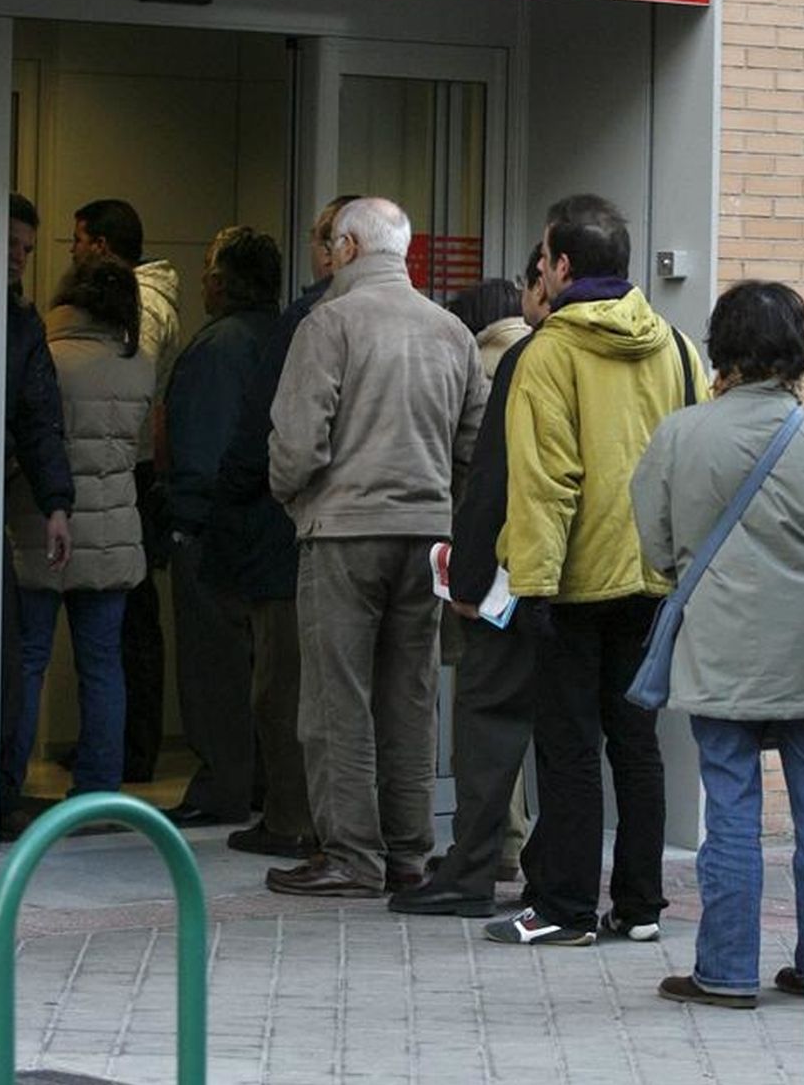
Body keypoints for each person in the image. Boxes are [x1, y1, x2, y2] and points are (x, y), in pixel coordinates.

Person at [631, 280, 804, 1007]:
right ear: (796, 352)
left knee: (730, 809)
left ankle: (727, 970)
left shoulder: (680, 434)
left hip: (720, 648)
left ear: (721, 349)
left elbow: (656, 547)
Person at [484, 194, 706, 948]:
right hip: (655, 578)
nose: (538, 271)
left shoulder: (549, 353)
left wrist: (533, 586)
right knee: (636, 741)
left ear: (564, 266)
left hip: (575, 580)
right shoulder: (677, 347)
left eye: (543, 258)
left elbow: (547, 479)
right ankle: (641, 906)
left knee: (569, 746)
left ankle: (565, 909)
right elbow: (695, 462)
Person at [266, 197, 488, 897]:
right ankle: (408, 852)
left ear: (351, 249)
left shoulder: (329, 323)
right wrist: (439, 503)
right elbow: (476, 446)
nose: (326, 258)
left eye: (331, 246)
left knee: (338, 699)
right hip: (427, 536)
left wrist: (294, 498)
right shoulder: (452, 331)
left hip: (344, 532)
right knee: (409, 697)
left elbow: (298, 444)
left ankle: (351, 856)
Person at [391, 249, 549, 918]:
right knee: (559, 725)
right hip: (570, 573)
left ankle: (484, 855)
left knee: (486, 714)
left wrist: (468, 574)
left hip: (500, 573)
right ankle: (538, 858)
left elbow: (482, 480)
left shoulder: (494, 366)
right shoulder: (627, 353)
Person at [200, 195, 359, 859]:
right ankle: (372, 833)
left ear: (336, 248)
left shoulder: (311, 320)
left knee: (286, 684)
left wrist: (233, 498)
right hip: (389, 537)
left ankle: (296, 819)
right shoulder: (423, 321)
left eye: (321, 239)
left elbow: (269, 436)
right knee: (367, 691)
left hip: (293, 531)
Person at [6, 258, 154, 794]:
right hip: (113, 531)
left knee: (27, 663)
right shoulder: (141, 363)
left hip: (40, 526)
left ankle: (3, 785)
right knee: (102, 665)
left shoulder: (45, 356)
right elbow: (141, 449)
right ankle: (98, 788)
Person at [162, 226, 283, 828]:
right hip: (271, 530)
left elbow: (201, 454)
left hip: (217, 532)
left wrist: (183, 522)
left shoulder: (218, 349)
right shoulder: (287, 337)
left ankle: (222, 785)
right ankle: (262, 782)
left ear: (220, 282)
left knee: (214, 669)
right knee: (263, 668)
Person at [72, 198, 182, 783]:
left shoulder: (142, 307)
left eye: (78, 240)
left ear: (102, 246)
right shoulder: (151, 300)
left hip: (128, 468)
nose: (72, 252)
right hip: (129, 465)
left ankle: (127, 754)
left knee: (130, 620)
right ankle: (112, 750)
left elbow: (125, 387)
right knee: (123, 618)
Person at [0, 194, 75, 832]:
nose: (21, 260)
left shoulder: (21, 327)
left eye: (27, 249)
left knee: (4, 655)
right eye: (12, 245)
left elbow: (38, 421)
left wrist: (56, 503)